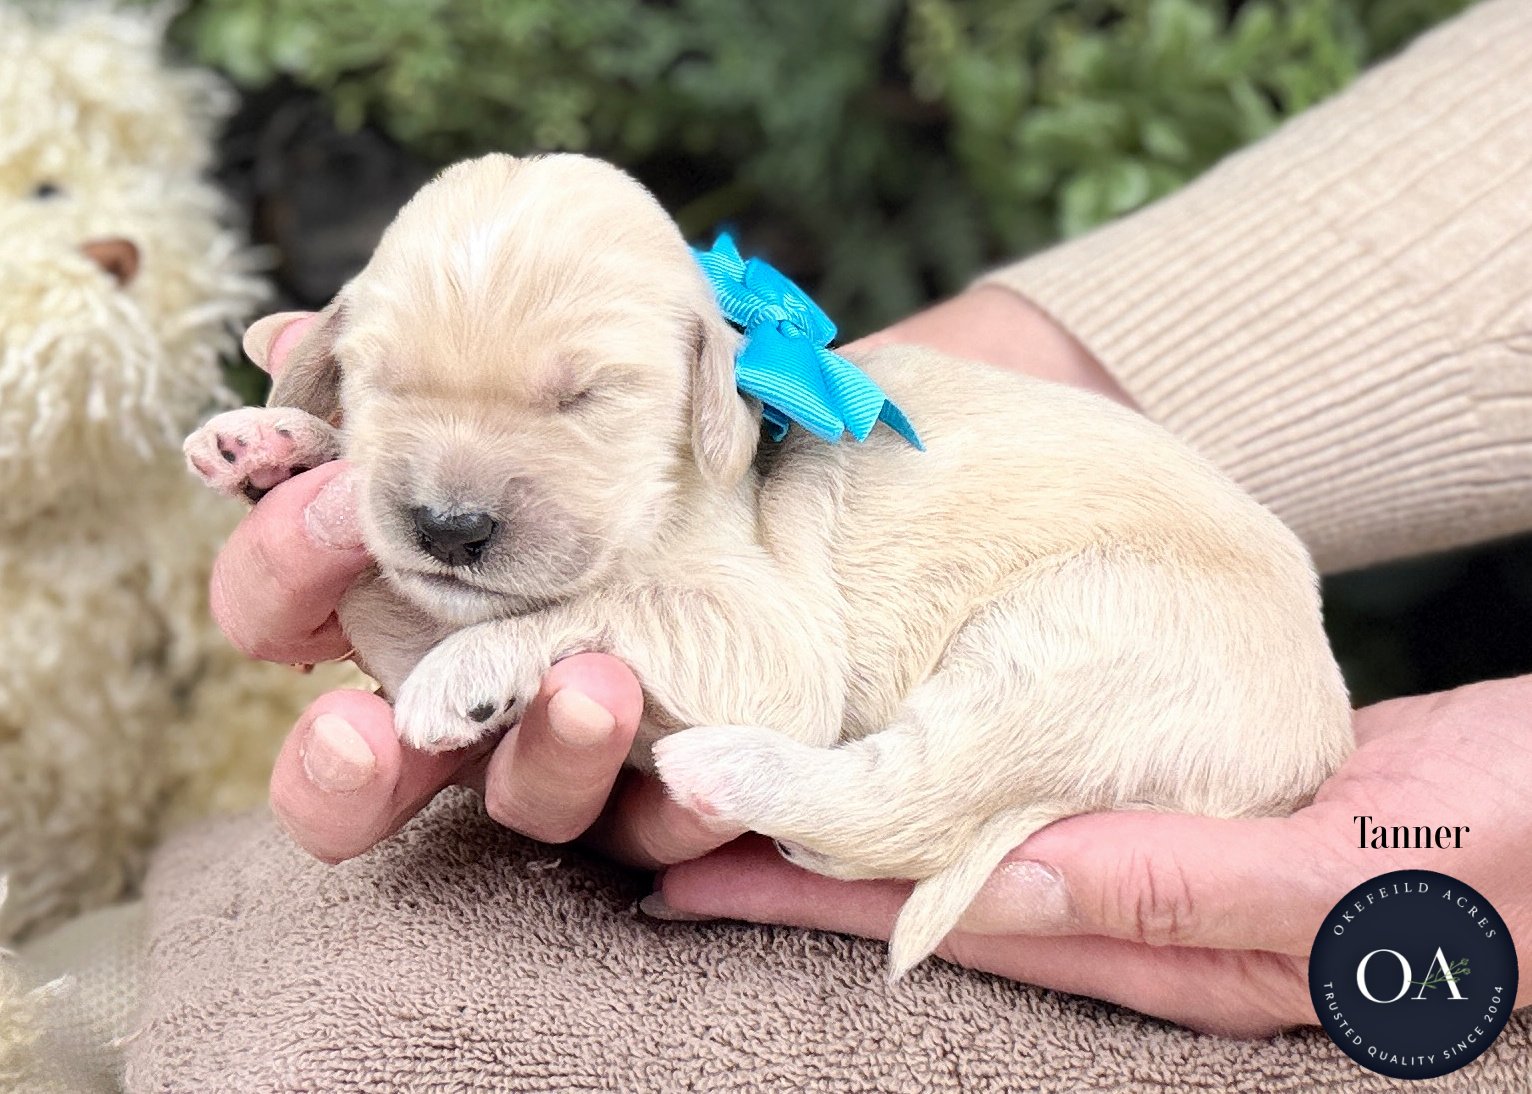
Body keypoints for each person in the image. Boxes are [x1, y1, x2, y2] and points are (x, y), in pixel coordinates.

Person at [215, 0, 1531, 1038]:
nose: (453, 494)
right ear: (327, 352)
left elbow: (774, 666)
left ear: (710, 389)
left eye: (579, 400)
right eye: (391, 379)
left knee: (1052, 638)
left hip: (1197, 633)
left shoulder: (724, 479)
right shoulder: (593, 417)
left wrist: (533, 646)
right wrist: (325, 463)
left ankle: (872, 802)